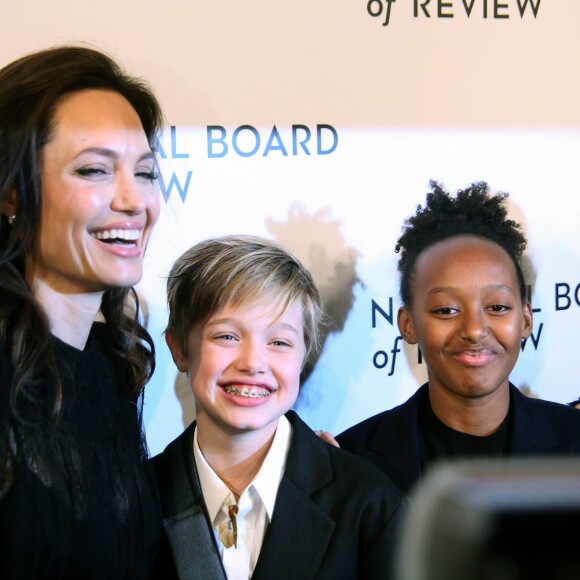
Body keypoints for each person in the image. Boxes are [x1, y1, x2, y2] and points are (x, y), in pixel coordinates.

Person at [152, 235, 407, 579]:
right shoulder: (134, 498)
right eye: (227, 336)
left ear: (304, 355)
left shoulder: (367, 503)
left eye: (279, 342)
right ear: (179, 347)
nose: (253, 363)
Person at [0, 45, 164, 577]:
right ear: (11, 194)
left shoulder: (110, 368)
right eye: (94, 170)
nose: (133, 200)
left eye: (145, 173)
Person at [336, 180, 580, 496]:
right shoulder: (351, 461)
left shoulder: (574, 442)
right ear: (408, 325)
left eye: (497, 307)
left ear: (526, 319)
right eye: (446, 310)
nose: (474, 330)